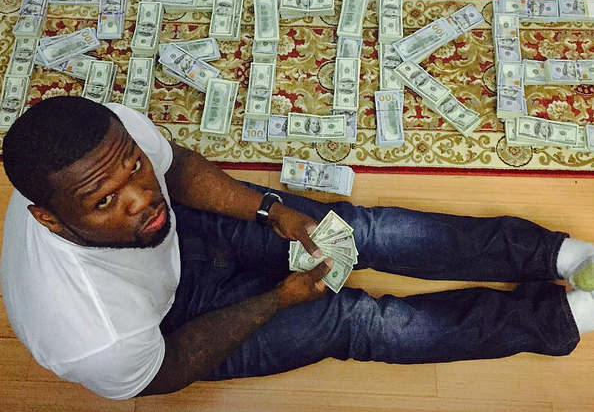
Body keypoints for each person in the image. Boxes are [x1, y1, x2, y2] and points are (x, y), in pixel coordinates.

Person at [2, 96, 594, 401]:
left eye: (134, 167)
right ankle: (561, 318)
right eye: (106, 201)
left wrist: (269, 209)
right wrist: (277, 301)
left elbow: (174, 169)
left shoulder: (107, 142)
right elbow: (167, 369)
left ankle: (560, 256)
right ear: (49, 220)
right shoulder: (94, 336)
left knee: (351, 231)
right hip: (170, 327)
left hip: (188, 233)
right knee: (352, 320)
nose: (140, 198)